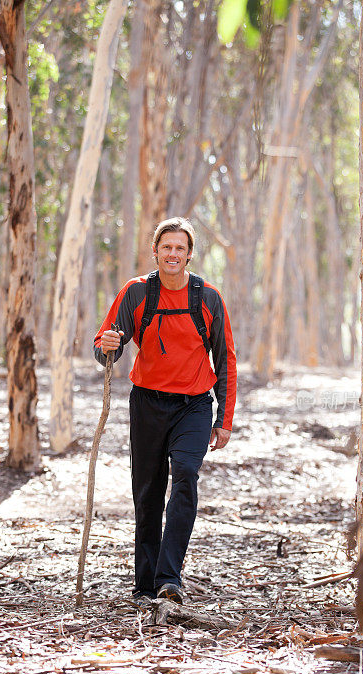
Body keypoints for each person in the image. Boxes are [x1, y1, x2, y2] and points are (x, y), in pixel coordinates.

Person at [93, 217, 237, 605]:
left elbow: (225, 360)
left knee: (186, 475)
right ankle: (144, 585)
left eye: (180, 248)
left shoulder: (207, 297)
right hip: (147, 404)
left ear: (189, 254)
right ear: (155, 251)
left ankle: (170, 578)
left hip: (193, 405)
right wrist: (107, 345)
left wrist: (224, 419)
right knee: (149, 494)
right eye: (166, 247)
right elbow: (106, 346)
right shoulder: (136, 293)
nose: (173, 254)